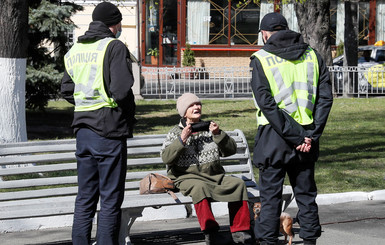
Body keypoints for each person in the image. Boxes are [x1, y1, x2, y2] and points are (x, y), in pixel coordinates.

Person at [250, 13, 333, 245]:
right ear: (287, 29)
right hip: (307, 137)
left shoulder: (261, 58)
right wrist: (310, 135)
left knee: (270, 199)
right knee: (306, 196)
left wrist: (295, 136)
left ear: (264, 34)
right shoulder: (313, 55)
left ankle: (268, 242)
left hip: (273, 137)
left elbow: (267, 104)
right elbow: (325, 99)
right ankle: (309, 242)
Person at [61, 2, 136, 244]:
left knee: (85, 197)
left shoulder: (75, 50)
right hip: (109, 131)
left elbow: (66, 89)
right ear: (114, 25)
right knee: (110, 199)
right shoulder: (113, 47)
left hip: (82, 131)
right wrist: (118, 109)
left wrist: (87, 102)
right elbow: (121, 90)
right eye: (120, 24)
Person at [160, 93, 253, 245]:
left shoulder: (210, 128)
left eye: (198, 104)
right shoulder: (175, 132)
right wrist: (181, 140)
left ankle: (240, 232)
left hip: (214, 175)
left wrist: (218, 134)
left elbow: (230, 150)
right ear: (184, 111)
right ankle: (211, 234)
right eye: (192, 105)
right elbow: (166, 158)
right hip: (186, 177)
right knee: (199, 188)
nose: (196, 107)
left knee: (238, 185)